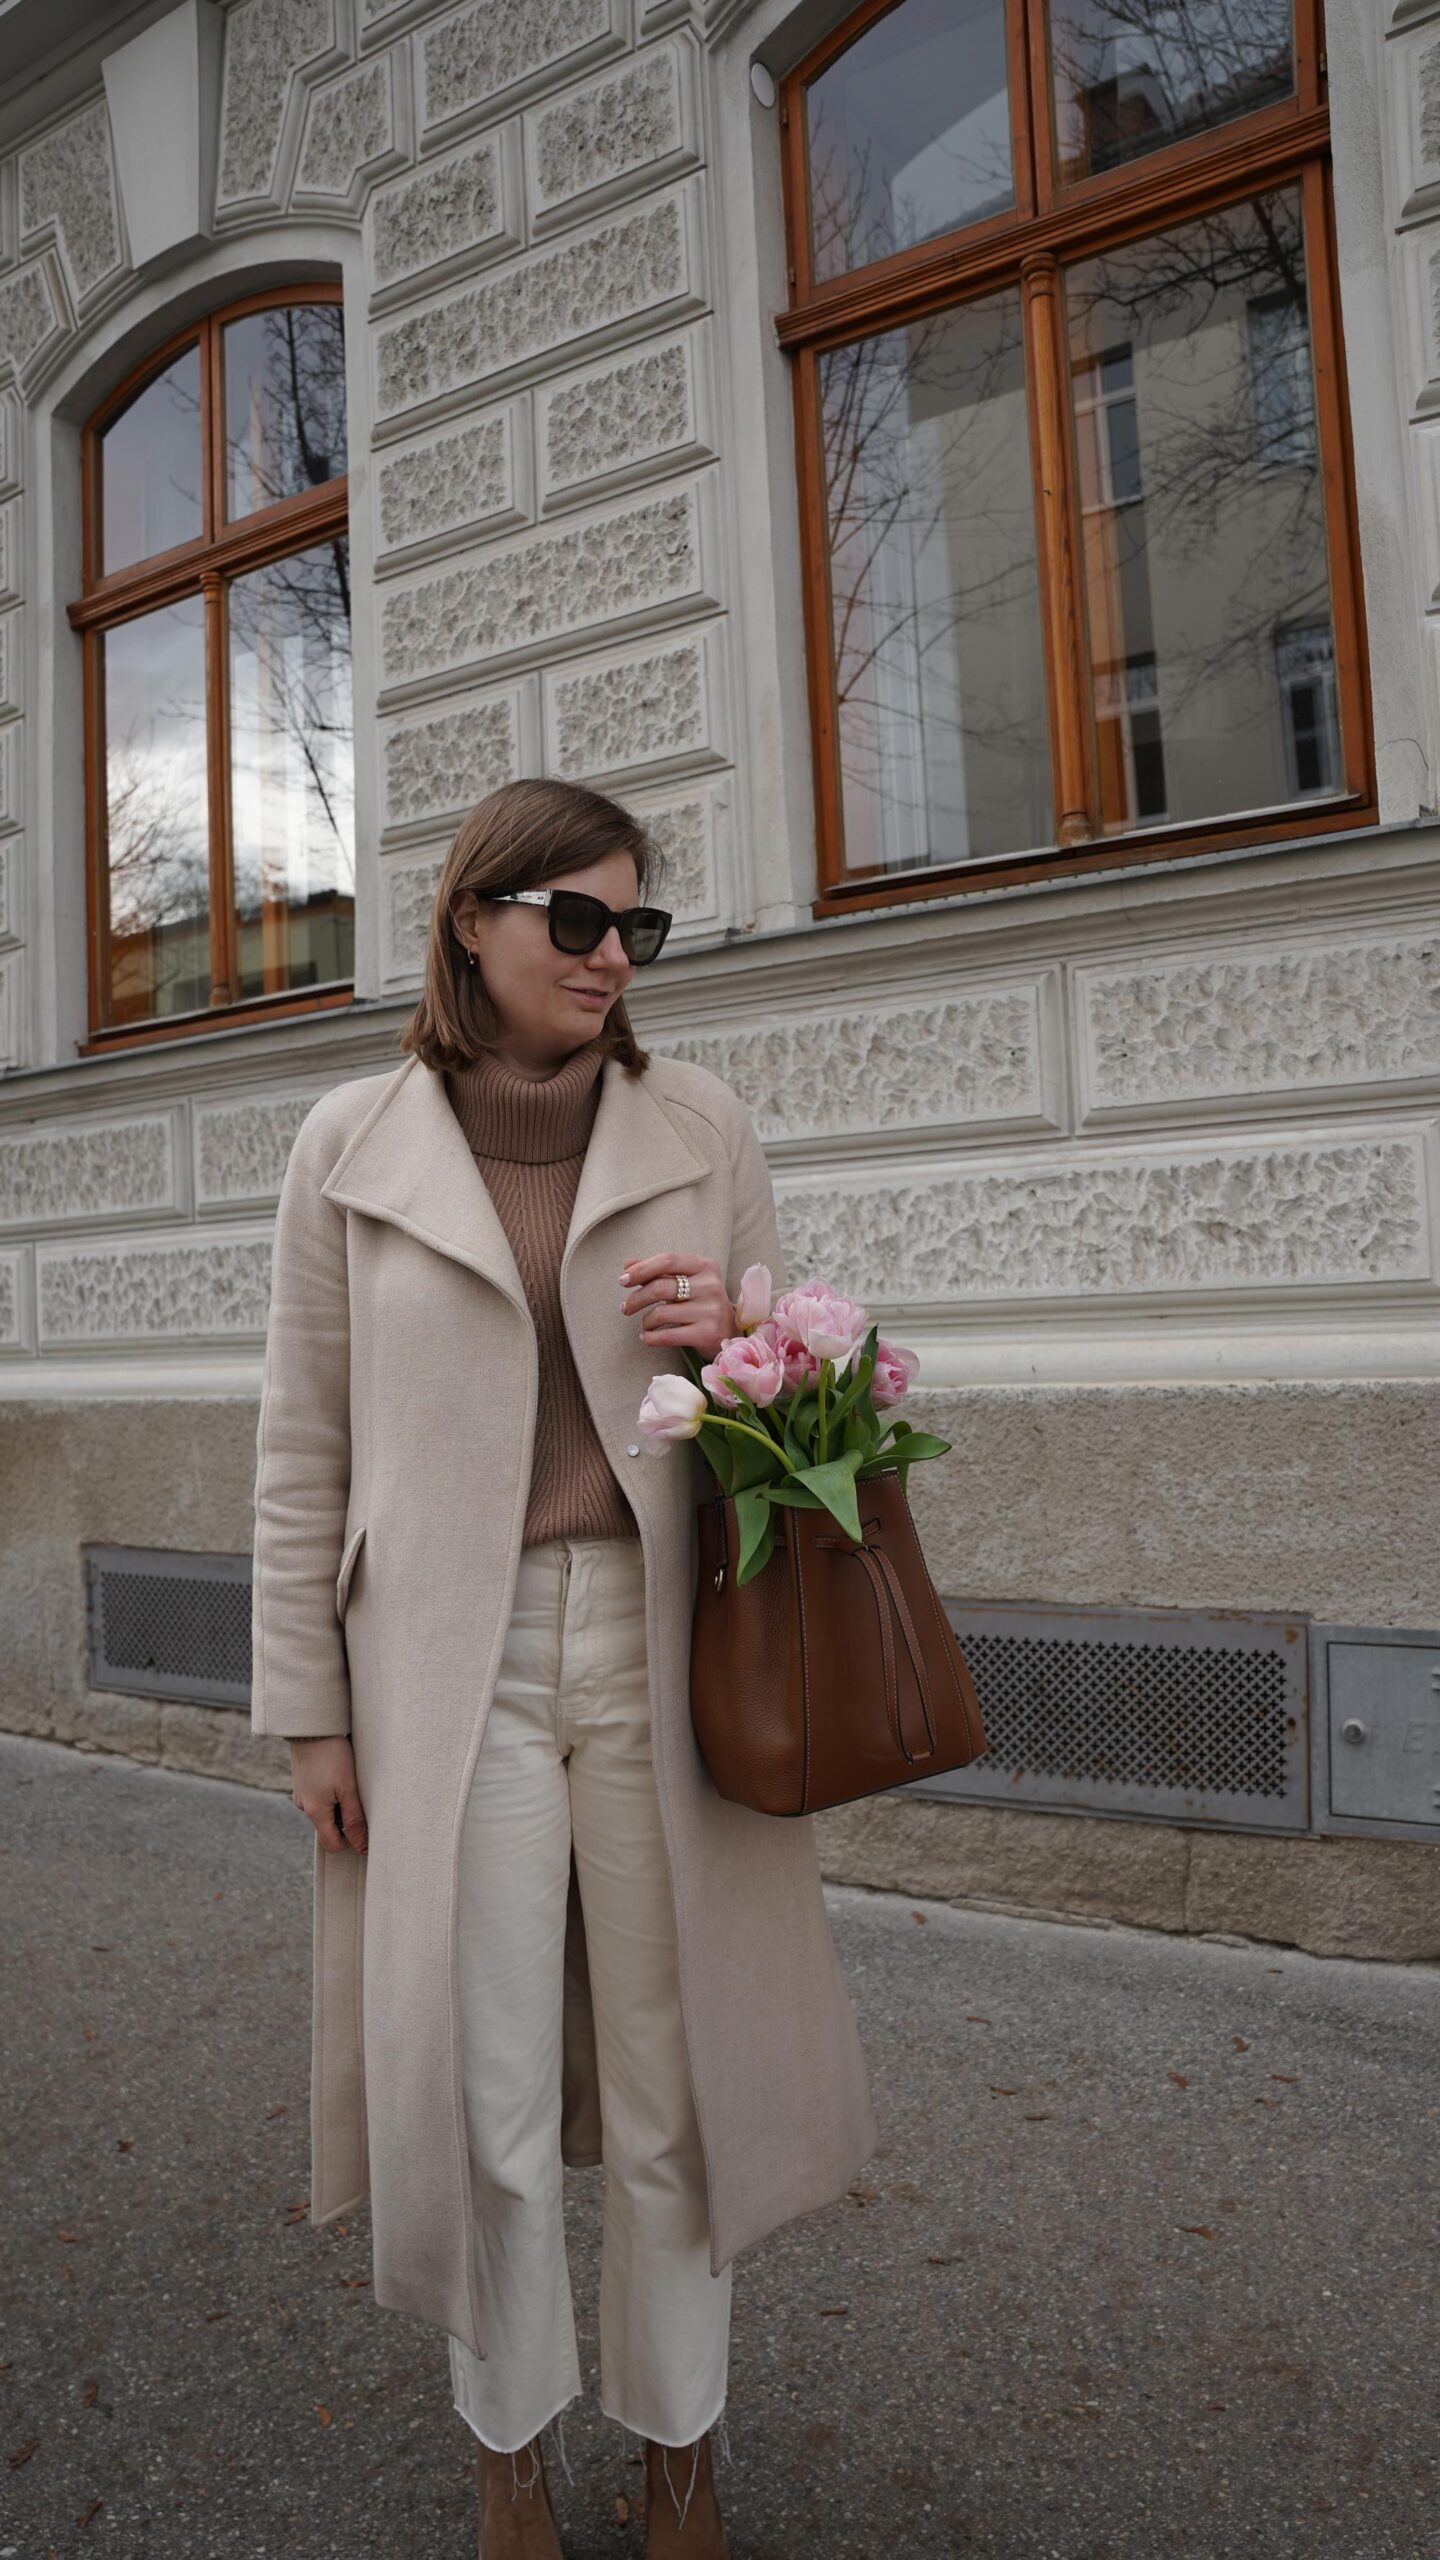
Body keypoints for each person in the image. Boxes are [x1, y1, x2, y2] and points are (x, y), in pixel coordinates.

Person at [249, 778, 878, 2557]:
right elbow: (301, 1441)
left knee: (684, 2074)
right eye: (576, 922)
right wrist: (310, 1708)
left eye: (637, 928)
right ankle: (507, 2445)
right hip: (449, 1664)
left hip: (666, 1641)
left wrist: (740, 1335)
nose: (611, 958)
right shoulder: (349, 1145)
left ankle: (679, 2442)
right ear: (475, 922)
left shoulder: (701, 1123)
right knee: (490, 2082)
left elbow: (806, 1409)